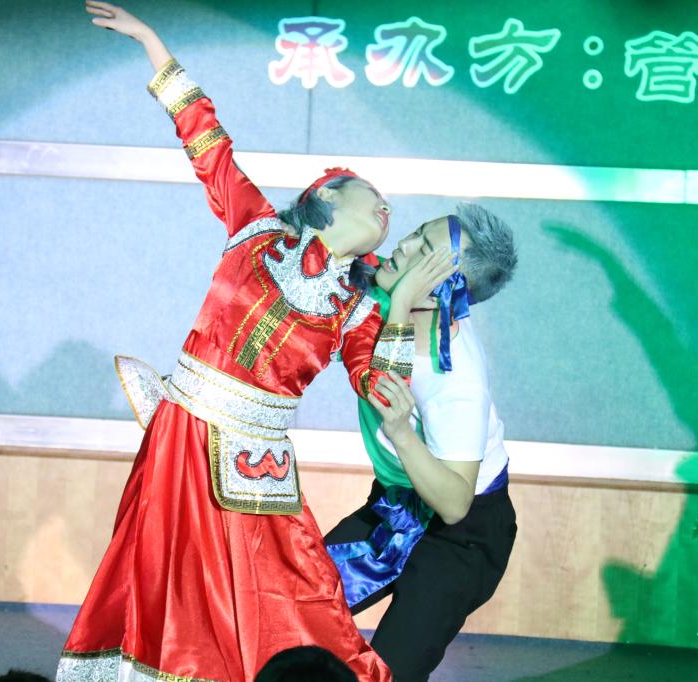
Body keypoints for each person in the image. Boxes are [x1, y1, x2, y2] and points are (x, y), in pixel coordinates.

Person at [57, 3, 457, 681]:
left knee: (291, 592)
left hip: (257, 463)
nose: (385, 209)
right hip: (184, 434)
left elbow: (382, 389)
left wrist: (401, 306)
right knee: (163, 589)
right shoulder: (256, 229)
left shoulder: (358, 306)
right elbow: (207, 141)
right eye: (371, 196)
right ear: (329, 198)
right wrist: (153, 46)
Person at [325, 205, 519, 681]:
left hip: (462, 534)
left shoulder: (455, 379)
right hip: (398, 505)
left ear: (445, 289)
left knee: (389, 672)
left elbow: (454, 502)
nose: (403, 246)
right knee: (288, 604)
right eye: (414, 234)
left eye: (424, 251)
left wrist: (401, 432)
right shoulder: (381, 300)